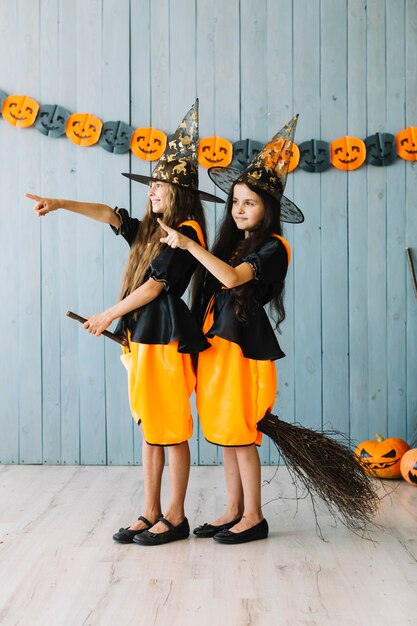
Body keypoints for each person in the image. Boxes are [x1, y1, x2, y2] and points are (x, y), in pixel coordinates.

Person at [158, 115, 379, 543]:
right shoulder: (229, 243)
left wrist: (188, 245)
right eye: (236, 201)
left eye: (250, 203)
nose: (239, 209)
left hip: (243, 350)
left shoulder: (274, 248)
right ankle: (231, 510)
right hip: (215, 346)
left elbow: (233, 279)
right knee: (224, 431)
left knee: (241, 433)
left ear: (268, 209)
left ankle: (254, 516)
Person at [26, 100, 224, 546]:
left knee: (170, 429)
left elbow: (155, 288)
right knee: (151, 427)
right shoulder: (155, 228)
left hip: (165, 339)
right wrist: (59, 203)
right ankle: (150, 510)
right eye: (151, 184)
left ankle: (175, 516)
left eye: (159, 185)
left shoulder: (186, 229)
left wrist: (106, 315)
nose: (151, 191)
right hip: (142, 339)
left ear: (179, 191)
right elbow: (109, 215)